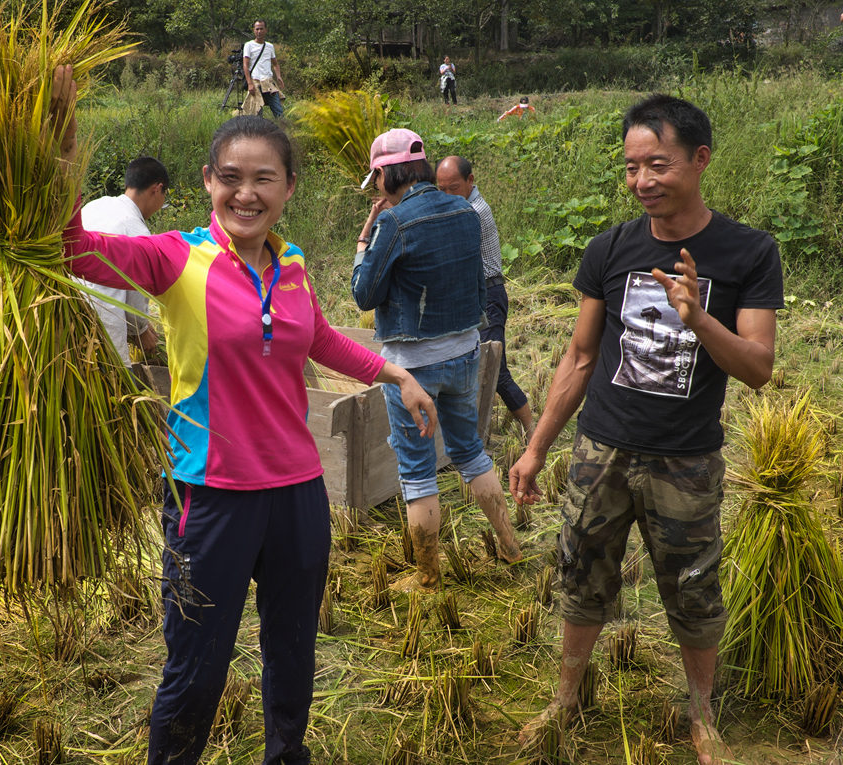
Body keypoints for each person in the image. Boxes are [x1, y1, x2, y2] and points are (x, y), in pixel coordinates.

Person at [50, 66, 438, 765]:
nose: (246, 192)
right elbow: (72, 248)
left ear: (288, 188)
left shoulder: (291, 266)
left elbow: (317, 338)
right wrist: (59, 142)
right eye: (231, 176)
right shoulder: (176, 259)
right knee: (195, 668)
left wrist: (395, 372)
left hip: (295, 494)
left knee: (293, 657)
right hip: (210, 497)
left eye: (264, 179)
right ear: (207, 181)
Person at [508, 94, 783, 765]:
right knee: (580, 575)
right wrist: (537, 447)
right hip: (601, 448)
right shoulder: (612, 248)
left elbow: (758, 368)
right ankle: (565, 699)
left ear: (699, 159)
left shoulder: (748, 252)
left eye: (656, 164)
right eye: (632, 168)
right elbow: (577, 356)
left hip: (686, 460)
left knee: (693, 588)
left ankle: (702, 714)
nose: (641, 181)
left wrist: (700, 320)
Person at [352, 128, 523, 592]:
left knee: (417, 470)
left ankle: (428, 576)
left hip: (413, 366)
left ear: (387, 174)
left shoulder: (395, 223)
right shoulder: (466, 211)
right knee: (470, 452)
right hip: (465, 352)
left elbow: (364, 294)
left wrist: (365, 238)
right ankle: (509, 544)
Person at [435, 155, 533, 436]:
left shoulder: (473, 211)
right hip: (471, 296)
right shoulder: (458, 207)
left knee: (495, 370)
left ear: (470, 181)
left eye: (453, 188)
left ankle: (532, 429)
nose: (446, 195)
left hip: (488, 295)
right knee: (472, 366)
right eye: (440, 189)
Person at [73, 156, 167, 367]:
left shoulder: (96, 205)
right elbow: (136, 292)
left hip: (70, 318)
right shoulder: (137, 231)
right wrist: (141, 329)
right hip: (105, 330)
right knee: (119, 390)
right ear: (157, 189)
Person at [242, 20, 286, 118]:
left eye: (261, 29)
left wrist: (278, 76)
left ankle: (282, 130)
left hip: (268, 82)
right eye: (257, 29)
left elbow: (275, 64)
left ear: (266, 30)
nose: (259, 31)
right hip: (255, 82)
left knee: (278, 111)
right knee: (257, 112)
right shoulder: (249, 45)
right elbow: (245, 65)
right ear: (253, 30)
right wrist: (249, 83)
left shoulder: (270, 46)